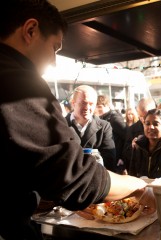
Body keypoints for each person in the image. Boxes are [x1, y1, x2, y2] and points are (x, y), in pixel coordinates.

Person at [0, 1, 147, 239]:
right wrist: (137, 185)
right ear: (30, 31)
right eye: (54, 47)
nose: (54, 61)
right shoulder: (17, 80)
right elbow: (72, 175)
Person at [65, 85, 117, 172]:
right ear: (73, 103)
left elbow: (110, 161)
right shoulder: (61, 125)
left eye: (91, 104)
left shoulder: (104, 127)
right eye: (83, 103)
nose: (87, 108)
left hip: (95, 180)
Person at [95, 95, 127, 174]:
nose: (98, 109)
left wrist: (122, 157)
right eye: (96, 107)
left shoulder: (114, 118)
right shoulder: (103, 118)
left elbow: (127, 137)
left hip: (116, 159)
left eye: (100, 106)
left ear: (107, 106)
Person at [123, 97, 156, 171]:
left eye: (146, 116)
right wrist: (133, 147)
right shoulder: (132, 129)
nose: (144, 120)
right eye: (141, 116)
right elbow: (125, 154)